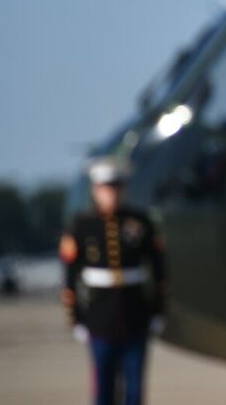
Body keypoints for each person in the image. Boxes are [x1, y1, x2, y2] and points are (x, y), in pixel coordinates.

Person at [61, 157, 168, 405]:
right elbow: (69, 278)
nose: (112, 195)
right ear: (96, 191)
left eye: (116, 188)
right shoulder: (82, 226)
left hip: (136, 316)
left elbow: (159, 271)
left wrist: (158, 312)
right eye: (106, 189)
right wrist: (75, 317)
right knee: (103, 389)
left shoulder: (140, 223)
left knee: (134, 389)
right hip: (99, 320)